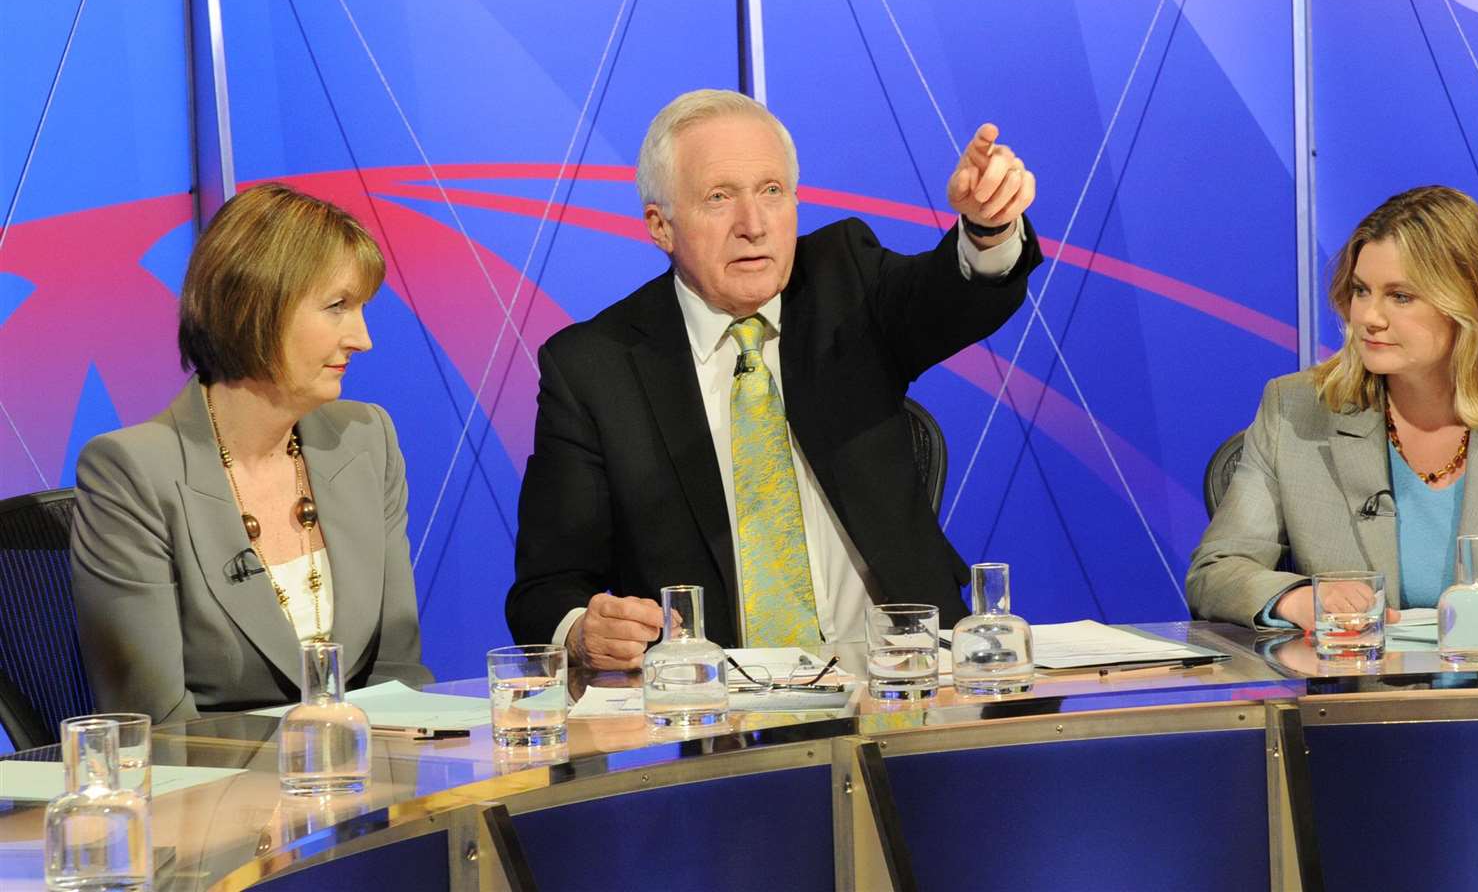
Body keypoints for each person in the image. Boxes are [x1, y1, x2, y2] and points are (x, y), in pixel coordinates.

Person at [506, 89, 1042, 667]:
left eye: (772, 192)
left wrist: (987, 230)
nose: (754, 225)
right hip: (716, 714)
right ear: (661, 226)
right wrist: (584, 633)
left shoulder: (847, 280)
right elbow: (547, 588)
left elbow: (950, 297)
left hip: (902, 680)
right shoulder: (593, 368)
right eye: (718, 198)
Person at [72, 184, 432, 722]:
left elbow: (397, 674)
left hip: (368, 779)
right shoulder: (131, 472)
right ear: (255, 306)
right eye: (338, 307)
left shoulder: (366, 437)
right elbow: (156, 721)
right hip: (217, 792)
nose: (362, 338)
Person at [1187, 186, 1478, 629]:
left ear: (1475, 300)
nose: (1369, 317)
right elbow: (1218, 570)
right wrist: (1298, 600)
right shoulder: (1295, 410)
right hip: (1350, 691)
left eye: (1400, 296)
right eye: (1361, 291)